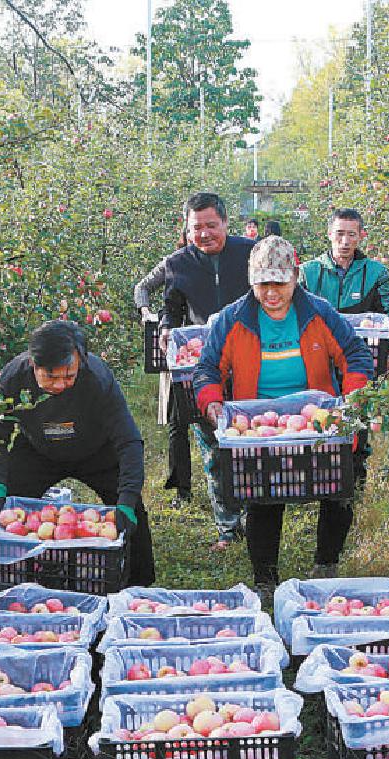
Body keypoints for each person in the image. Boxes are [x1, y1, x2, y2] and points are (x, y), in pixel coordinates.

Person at [193, 236, 374, 595]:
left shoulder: (318, 313)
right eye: (263, 285)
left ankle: (326, 563)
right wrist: (212, 402)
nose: (272, 293)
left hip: (316, 423)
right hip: (260, 425)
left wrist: (351, 400)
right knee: (263, 497)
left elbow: (355, 355)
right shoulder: (233, 318)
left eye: (280, 283)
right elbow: (207, 369)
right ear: (252, 282)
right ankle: (265, 579)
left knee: (336, 489)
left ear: (295, 279)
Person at [0, 320, 155, 585]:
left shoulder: (98, 378)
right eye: (50, 377)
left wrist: (128, 500)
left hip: (96, 451)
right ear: (33, 364)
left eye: (69, 376)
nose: (60, 384)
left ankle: (137, 587)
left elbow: (128, 440)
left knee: (131, 517)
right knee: (0, 512)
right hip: (37, 450)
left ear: (81, 362)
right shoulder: (13, 378)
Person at [152, 192, 255, 551]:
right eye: (197, 227)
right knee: (212, 447)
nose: (205, 233)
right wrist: (167, 328)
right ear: (187, 228)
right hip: (202, 366)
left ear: (226, 223)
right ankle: (227, 527)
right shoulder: (178, 263)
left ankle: (252, 521)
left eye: (212, 225)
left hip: (249, 361)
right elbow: (172, 307)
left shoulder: (248, 254)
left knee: (248, 444)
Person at [299, 208, 389, 367]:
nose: (345, 241)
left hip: (362, 354)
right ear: (329, 234)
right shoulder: (308, 272)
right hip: (317, 355)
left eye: (351, 234)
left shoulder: (375, 273)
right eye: (339, 233)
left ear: (361, 236)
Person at [133, 225, 191, 507]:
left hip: (210, 349)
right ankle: (182, 487)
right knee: (178, 423)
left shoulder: (222, 264)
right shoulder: (173, 264)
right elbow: (142, 287)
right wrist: (146, 312)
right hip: (177, 350)